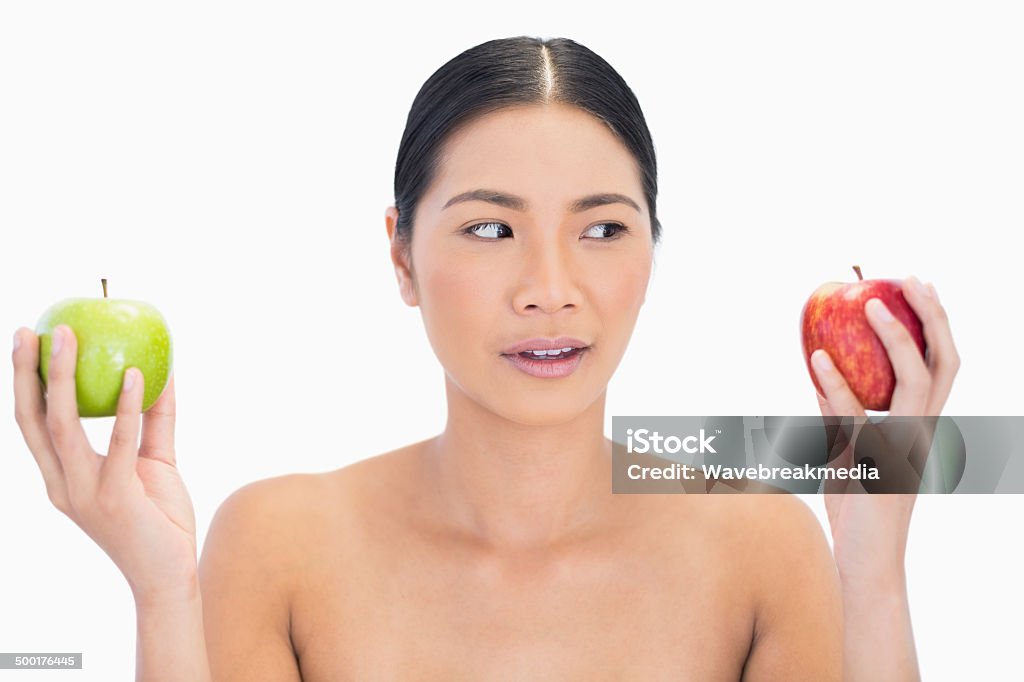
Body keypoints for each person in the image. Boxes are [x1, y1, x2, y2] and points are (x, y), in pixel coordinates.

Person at [12, 36, 960, 681]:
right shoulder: (277, 541)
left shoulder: (763, 545)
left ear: (651, 253)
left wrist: (873, 571)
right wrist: (160, 589)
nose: (549, 286)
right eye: (492, 226)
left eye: (601, 228)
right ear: (401, 256)